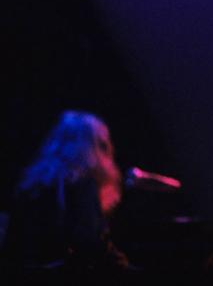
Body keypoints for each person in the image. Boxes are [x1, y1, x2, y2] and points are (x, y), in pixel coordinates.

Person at [2, 110, 129, 269]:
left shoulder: (33, 182)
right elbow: (88, 242)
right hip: (60, 283)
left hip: (20, 279)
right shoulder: (82, 182)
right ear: (97, 146)